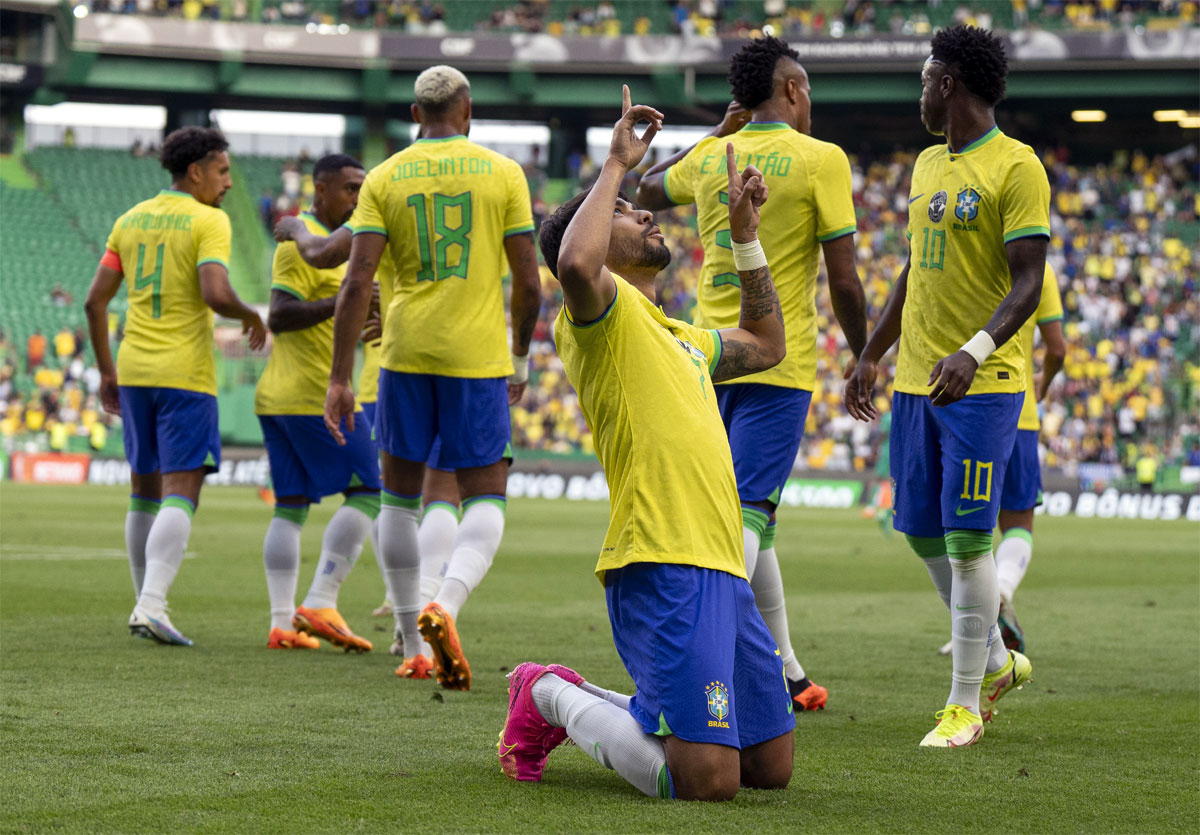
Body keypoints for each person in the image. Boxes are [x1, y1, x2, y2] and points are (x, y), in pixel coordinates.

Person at [499, 87, 794, 801]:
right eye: (630, 214)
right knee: (708, 781)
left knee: (770, 768)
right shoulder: (597, 312)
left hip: (723, 565)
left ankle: (607, 698)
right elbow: (572, 264)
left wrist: (746, 232)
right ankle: (546, 695)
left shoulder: (683, 336)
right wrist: (614, 168)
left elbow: (767, 343)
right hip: (661, 557)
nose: (645, 215)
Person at [637, 36, 868, 713]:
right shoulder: (821, 159)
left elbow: (643, 187)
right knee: (746, 516)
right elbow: (846, 281)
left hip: (709, 355)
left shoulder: (712, 155)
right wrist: (863, 353)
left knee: (742, 513)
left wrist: (713, 133)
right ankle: (701, 663)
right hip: (778, 357)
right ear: (792, 90)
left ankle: (789, 671)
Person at [844, 25, 1048, 747]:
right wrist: (871, 350)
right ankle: (996, 654)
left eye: (925, 80)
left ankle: (963, 705)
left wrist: (975, 348)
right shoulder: (928, 164)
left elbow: (1030, 280)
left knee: (966, 539)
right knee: (920, 530)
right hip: (914, 379)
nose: (920, 94)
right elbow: (914, 266)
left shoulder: (1017, 167)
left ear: (950, 83)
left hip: (983, 382)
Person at [323, 65, 541, 689]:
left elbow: (356, 282)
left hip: (404, 352)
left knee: (398, 494)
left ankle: (408, 634)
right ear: (466, 110)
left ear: (416, 115)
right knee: (486, 494)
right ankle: (444, 602)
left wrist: (341, 377)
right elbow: (528, 282)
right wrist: (520, 357)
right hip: (475, 357)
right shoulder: (503, 173)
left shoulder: (385, 176)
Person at [83, 126, 266, 646]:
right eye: (223, 171)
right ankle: (151, 605)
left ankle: (146, 603)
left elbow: (95, 302)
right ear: (197, 172)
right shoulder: (208, 220)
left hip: (135, 369)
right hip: (184, 374)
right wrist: (247, 313)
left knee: (144, 492)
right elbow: (214, 291)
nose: (228, 182)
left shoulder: (130, 219)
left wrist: (106, 372)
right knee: (181, 491)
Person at [275, 195, 467, 677]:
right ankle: (414, 608)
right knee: (436, 495)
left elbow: (336, 265)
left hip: (384, 379)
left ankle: (403, 622)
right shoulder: (471, 207)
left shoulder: (384, 214)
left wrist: (297, 229)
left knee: (394, 500)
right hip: (451, 367)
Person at [255, 153, 383, 653]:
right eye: (350, 188)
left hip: (281, 396)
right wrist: (345, 299)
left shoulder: (333, 243)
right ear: (321, 188)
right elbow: (280, 316)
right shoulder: (298, 241)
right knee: (371, 489)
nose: (357, 199)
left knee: (289, 507)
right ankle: (321, 600)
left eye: (362, 189)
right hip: (309, 396)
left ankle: (282, 623)